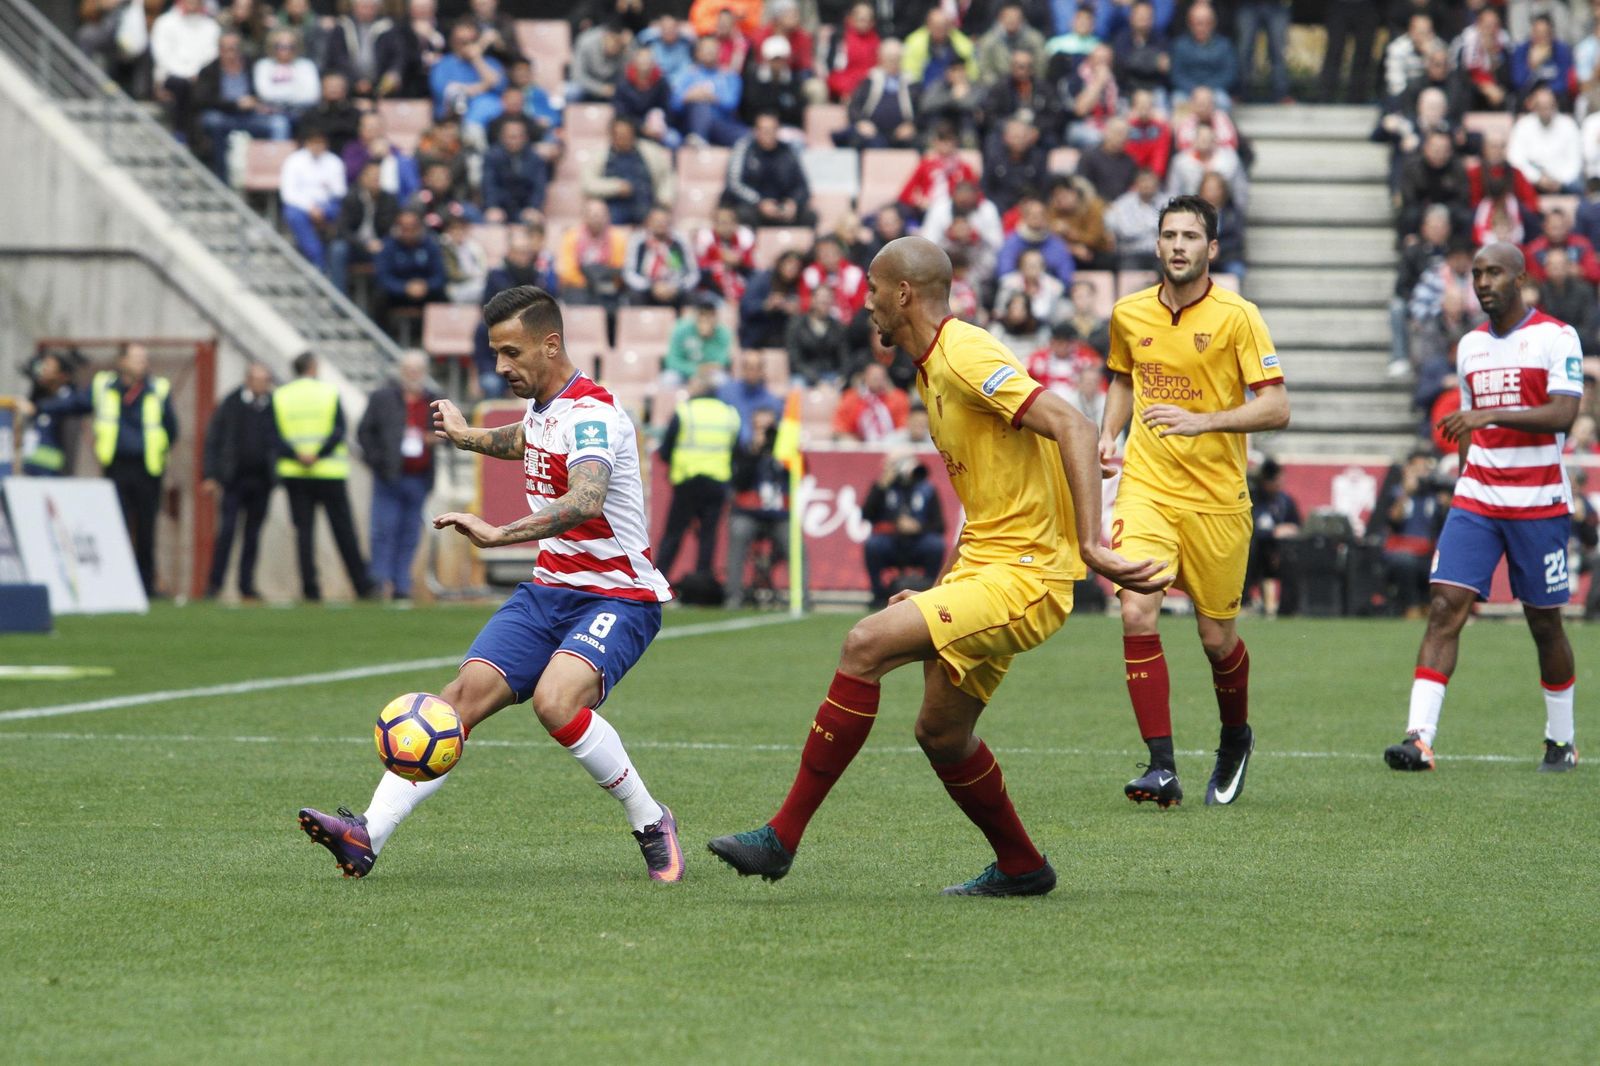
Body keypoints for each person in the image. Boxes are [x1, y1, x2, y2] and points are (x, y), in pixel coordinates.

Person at [706, 235, 1167, 894]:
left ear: (903, 294)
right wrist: (942, 586)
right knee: (942, 733)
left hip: (1028, 576)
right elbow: (989, 506)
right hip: (987, 569)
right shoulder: (932, 369)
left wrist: (1093, 547)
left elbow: (1076, 425)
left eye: (872, 289)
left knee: (863, 644)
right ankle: (1023, 867)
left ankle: (781, 839)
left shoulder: (965, 353)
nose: (865, 303)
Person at [300, 286, 682, 882]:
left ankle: (651, 820)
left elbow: (586, 498)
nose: (500, 366)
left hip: (618, 594)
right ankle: (366, 834)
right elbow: (525, 440)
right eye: (495, 352)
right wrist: (466, 437)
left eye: (511, 352)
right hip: (549, 591)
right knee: (454, 704)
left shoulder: (594, 415)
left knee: (556, 702)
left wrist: (499, 534)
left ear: (550, 344)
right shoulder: (545, 408)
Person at [1098, 193, 1291, 808]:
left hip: (1217, 501)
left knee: (1216, 641)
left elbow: (1276, 407)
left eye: (1189, 236)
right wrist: (1108, 434)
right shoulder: (1128, 313)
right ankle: (1161, 767)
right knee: (1137, 610)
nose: (1178, 245)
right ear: (1156, 244)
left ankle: (1235, 738)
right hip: (1147, 487)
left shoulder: (1239, 316)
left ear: (1211, 248)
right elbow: (1123, 377)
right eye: (1169, 235)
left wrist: (1203, 421)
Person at [1384, 242, 1583, 775]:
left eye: (1494, 272)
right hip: (1478, 498)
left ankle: (1561, 741)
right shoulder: (1470, 345)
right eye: (1476, 274)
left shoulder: (1557, 336)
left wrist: (1489, 417)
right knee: (1445, 605)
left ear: (1520, 278)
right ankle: (1419, 739)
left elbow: (1563, 414)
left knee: (1544, 623)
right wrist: (1467, 474)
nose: (1483, 282)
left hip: (1538, 501)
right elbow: (1468, 427)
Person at [272, 352, 376, 602]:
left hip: (296, 472)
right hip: (329, 471)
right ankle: (362, 586)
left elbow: (273, 435)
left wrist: (298, 455)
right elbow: (339, 430)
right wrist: (318, 454)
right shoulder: (328, 392)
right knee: (344, 531)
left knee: (304, 533)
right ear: (312, 367)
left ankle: (310, 589)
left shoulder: (281, 395)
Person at [94, 344, 180, 597]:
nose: (143, 362)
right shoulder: (105, 387)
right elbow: (78, 403)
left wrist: (159, 450)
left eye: (144, 358)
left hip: (147, 468)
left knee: (146, 529)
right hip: (116, 466)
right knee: (116, 526)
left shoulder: (157, 389)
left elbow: (171, 428)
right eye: (137, 358)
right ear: (122, 361)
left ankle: (145, 585)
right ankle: (116, 583)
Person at [358, 351, 441, 602]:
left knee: (410, 533)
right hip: (389, 476)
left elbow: (447, 432)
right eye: (409, 370)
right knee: (383, 529)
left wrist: (433, 438)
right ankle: (379, 581)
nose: (413, 375)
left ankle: (401, 583)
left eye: (417, 370)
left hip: (419, 477)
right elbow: (365, 432)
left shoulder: (433, 400)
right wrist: (377, 461)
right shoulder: (383, 398)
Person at [655, 365, 741, 584]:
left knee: (673, 534)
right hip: (717, 482)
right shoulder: (730, 414)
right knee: (708, 537)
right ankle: (702, 584)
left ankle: (658, 581)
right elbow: (736, 451)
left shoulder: (685, 411)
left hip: (687, 480)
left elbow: (665, 450)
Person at [202, 362, 276, 601]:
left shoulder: (272, 405)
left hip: (262, 481)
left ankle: (247, 585)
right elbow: (213, 438)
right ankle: (215, 584)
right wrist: (210, 474)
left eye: (266, 380)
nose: (263, 385)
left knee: (253, 535)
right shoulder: (231, 403)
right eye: (259, 380)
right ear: (248, 380)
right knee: (227, 532)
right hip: (234, 480)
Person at [860, 451, 946, 609]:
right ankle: (878, 594)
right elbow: (866, 515)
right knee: (873, 545)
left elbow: (940, 525)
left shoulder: (927, 489)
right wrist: (880, 487)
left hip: (918, 541)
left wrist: (917, 527)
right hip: (891, 540)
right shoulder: (882, 487)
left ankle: (931, 591)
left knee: (935, 545)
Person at [724, 407, 790, 609]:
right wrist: (755, 453)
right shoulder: (744, 450)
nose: (763, 433)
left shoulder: (786, 453)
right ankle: (733, 596)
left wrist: (782, 454)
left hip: (778, 514)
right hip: (749, 512)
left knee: (793, 540)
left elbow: (798, 477)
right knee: (739, 531)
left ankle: (802, 597)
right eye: (759, 428)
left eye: (767, 428)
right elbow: (739, 482)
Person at [1374, 447, 1450, 618]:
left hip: (1429, 551)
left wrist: (1447, 505)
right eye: (1417, 469)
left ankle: (1431, 606)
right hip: (1402, 550)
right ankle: (1411, 606)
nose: (1422, 474)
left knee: (1444, 562)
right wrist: (1406, 493)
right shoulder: (1396, 492)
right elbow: (1393, 519)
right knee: (1404, 562)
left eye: (1425, 469)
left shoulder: (1436, 496)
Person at [722, 111, 815, 228]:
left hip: (780, 207)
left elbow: (802, 186)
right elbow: (734, 184)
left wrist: (793, 202)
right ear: (755, 131)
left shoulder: (787, 151)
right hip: (753, 206)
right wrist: (759, 202)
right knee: (744, 214)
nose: (768, 134)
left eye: (772, 130)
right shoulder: (743, 149)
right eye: (764, 130)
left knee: (810, 216)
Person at [582, 116, 672, 227]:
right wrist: (616, 187)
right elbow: (588, 184)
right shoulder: (599, 154)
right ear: (612, 135)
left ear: (633, 134)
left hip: (646, 208)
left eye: (626, 135)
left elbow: (667, 177)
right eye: (619, 135)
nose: (622, 138)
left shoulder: (651, 152)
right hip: (612, 213)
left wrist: (663, 202)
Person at [280, 126, 347, 274]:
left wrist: (322, 207)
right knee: (293, 215)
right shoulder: (294, 161)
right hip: (301, 207)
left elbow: (340, 191)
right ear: (307, 143)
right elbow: (288, 194)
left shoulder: (335, 162)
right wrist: (310, 207)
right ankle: (318, 260)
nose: (317, 146)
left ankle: (331, 259)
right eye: (314, 142)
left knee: (343, 211)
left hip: (328, 205)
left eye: (320, 142)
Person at [16, 351, 91, 476]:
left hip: (54, 471)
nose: (43, 371)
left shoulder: (69, 398)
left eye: (49, 367)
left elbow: (79, 404)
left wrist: (37, 408)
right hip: (32, 469)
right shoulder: (41, 395)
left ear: (62, 375)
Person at [1244, 457, 1301, 616]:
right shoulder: (1252, 499)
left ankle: (1287, 609)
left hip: (1279, 554)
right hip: (1256, 555)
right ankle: (1244, 602)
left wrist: (1291, 530)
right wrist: (1273, 532)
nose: (1278, 483)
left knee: (1293, 557)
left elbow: (1297, 526)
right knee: (1249, 550)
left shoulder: (1285, 501)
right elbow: (1249, 528)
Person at [621, 206, 699, 308]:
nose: (661, 224)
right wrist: (651, 286)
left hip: (675, 288)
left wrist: (676, 287)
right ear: (648, 222)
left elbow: (693, 274)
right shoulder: (638, 241)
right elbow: (629, 273)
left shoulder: (680, 241)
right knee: (634, 296)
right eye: (657, 221)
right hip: (647, 288)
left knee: (692, 297)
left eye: (664, 221)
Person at [833, 361, 911, 442]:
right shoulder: (851, 398)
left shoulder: (898, 398)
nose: (878, 381)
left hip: (892, 442)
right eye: (874, 377)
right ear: (865, 377)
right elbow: (840, 424)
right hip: (859, 442)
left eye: (881, 377)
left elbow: (903, 425)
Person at [663, 295, 734, 382]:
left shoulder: (723, 333)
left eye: (710, 315)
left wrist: (707, 337)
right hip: (683, 371)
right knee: (669, 379)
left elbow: (720, 362)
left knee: (722, 380)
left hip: (710, 373)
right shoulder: (681, 329)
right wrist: (695, 369)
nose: (705, 319)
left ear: (716, 316)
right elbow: (672, 360)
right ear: (695, 315)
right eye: (702, 314)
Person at [718, 350, 782, 444]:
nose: (751, 372)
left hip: (757, 450)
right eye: (747, 367)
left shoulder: (772, 403)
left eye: (755, 368)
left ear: (762, 371)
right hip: (730, 445)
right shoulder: (726, 392)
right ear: (742, 369)